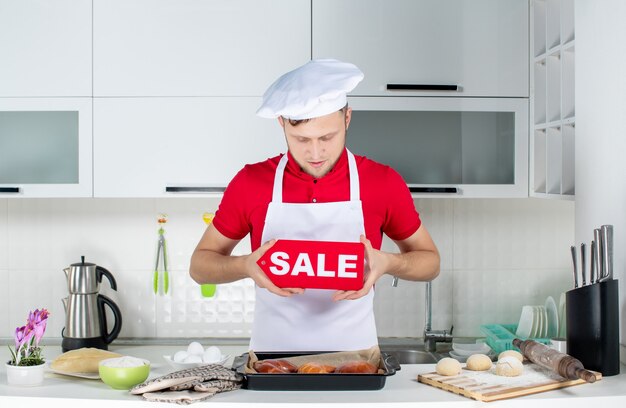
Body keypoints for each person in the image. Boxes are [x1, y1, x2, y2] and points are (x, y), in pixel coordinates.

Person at [190, 59, 440, 351]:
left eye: (327, 137)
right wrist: (244, 265)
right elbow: (200, 266)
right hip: (272, 362)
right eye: (301, 139)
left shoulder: (381, 182)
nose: (315, 152)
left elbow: (430, 263)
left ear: (347, 118)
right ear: (282, 123)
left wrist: (390, 263)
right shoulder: (251, 183)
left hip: (355, 360)